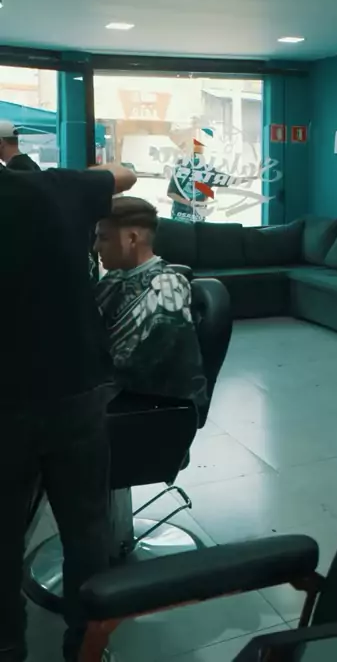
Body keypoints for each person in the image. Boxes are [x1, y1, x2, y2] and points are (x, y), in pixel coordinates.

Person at [0, 161, 136, 662]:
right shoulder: (54, 188)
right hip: (73, 392)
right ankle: (87, 645)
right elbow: (125, 174)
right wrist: (84, 176)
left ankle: (7, 644)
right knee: (86, 531)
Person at [94, 197, 208, 411]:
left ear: (132, 238)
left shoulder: (166, 288)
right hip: (115, 390)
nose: (96, 247)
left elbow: (139, 366)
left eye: (104, 238)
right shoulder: (114, 278)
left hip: (154, 406)